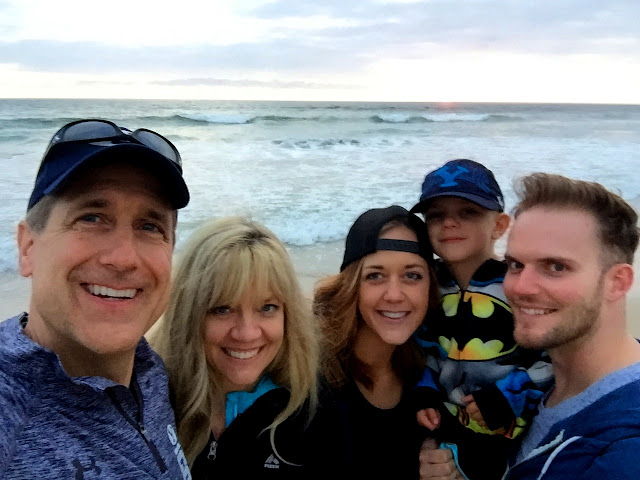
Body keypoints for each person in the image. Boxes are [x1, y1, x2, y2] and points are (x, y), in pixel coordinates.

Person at [0, 119, 191, 479]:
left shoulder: (148, 370)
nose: (123, 258)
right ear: (28, 248)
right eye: (91, 218)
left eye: (150, 226)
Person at [420, 173, 640, 480]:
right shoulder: (554, 385)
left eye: (556, 266)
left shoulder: (623, 449)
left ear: (617, 282)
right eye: (515, 265)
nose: (521, 288)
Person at [151, 217, 347, 479]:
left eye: (267, 308)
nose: (247, 333)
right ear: (189, 314)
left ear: (288, 315)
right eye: (223, 309)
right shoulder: (150, 401)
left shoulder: (317, 412)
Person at [410, 159, 553, 480]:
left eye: (468, 212)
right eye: (436, 216)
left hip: (513, 434)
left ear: (499, 226)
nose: (449, 223)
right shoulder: (426, 286)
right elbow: (424, 350)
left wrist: (509, 395)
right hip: (448, 429)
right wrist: (425, 394)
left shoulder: (519, 287)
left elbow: (552, 357)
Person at [314, 205, 440, 479]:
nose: (394, 295)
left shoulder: (430, 373)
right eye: (375, 276)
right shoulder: (314, 382)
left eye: (412, 276)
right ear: (351, 286)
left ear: (430, 287)